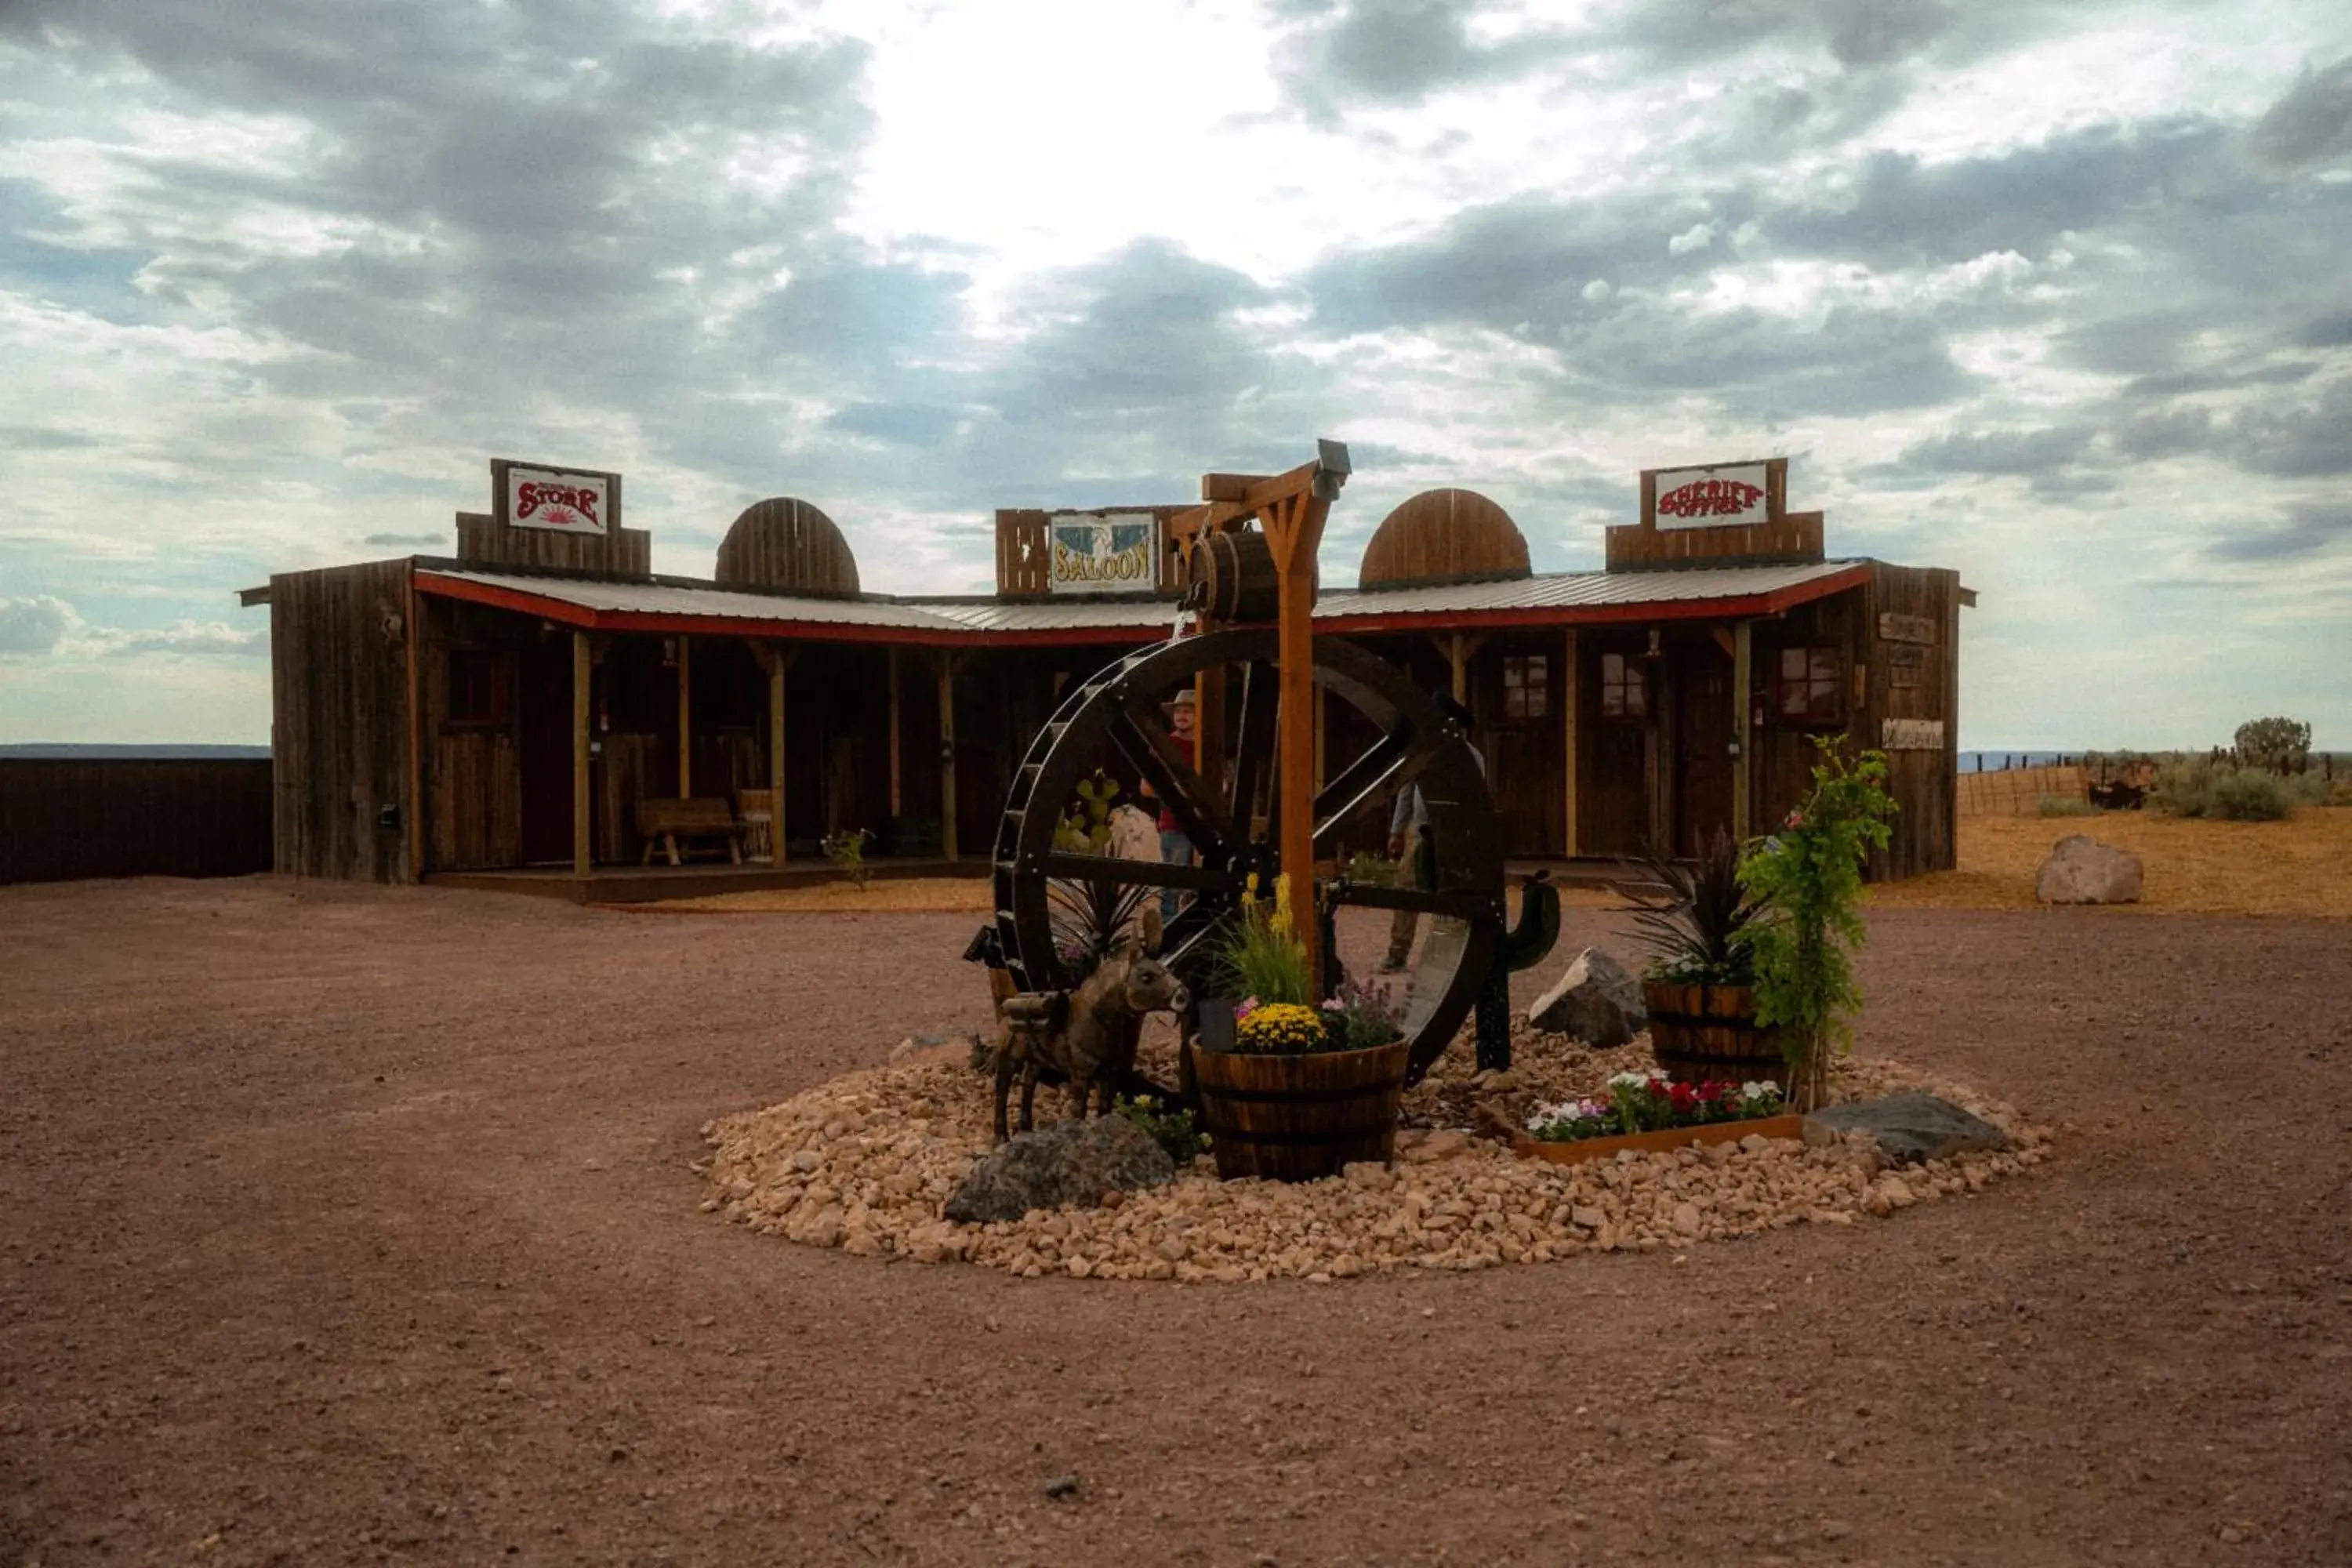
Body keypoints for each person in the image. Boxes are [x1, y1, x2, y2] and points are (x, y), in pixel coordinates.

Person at [1379, 696, 1483, 973]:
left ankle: (1447, 956)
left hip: (1453, 832)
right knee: (1405, 890)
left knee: (1449, 893)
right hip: (1419, 830)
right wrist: (1397, 831)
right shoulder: (1422, 755)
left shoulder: (1472, 758)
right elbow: (1406, 791)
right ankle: (1397, 953)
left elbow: (1478, 800)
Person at [1156, 689, 1197, 921]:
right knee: (1173, 889)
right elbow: (1147, 786)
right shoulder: (1166, 745)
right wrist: (1178, 789)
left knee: (1199, 887)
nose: (1182, 716)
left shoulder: (1207, 745)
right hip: (1175, 826)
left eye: (1188, 711)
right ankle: (1168, 943)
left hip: (1205, 828)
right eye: (1178, 711)